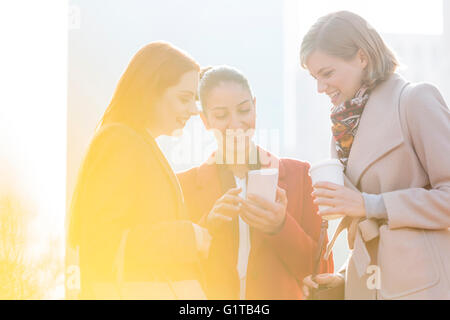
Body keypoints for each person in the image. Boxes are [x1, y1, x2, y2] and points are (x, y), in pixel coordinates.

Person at [300, 11, 450, 300]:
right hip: (370, 287)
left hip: (423, 288)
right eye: (314, 77)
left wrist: (370, 204)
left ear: (362, 57)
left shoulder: (415, 101)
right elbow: (371, 232)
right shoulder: (343, 128)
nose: (320, 87)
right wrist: (344, 278)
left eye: (327, 73)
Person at [66, 41, 211, 299]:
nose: (192, 110)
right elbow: (101, 242)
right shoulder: (120, 141)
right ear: (151, 91)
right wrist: (188, 236)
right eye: (184, 98)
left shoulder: (138, 143)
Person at [177, 65, 333, 300]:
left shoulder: (300, 176)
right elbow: (176, 270)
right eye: (221, 115)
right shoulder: (184, 186)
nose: (236, 124)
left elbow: (322, 270)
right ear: (205, 120)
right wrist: (206, 226)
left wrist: (281, 226)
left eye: (244, 110)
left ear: (255, 107)